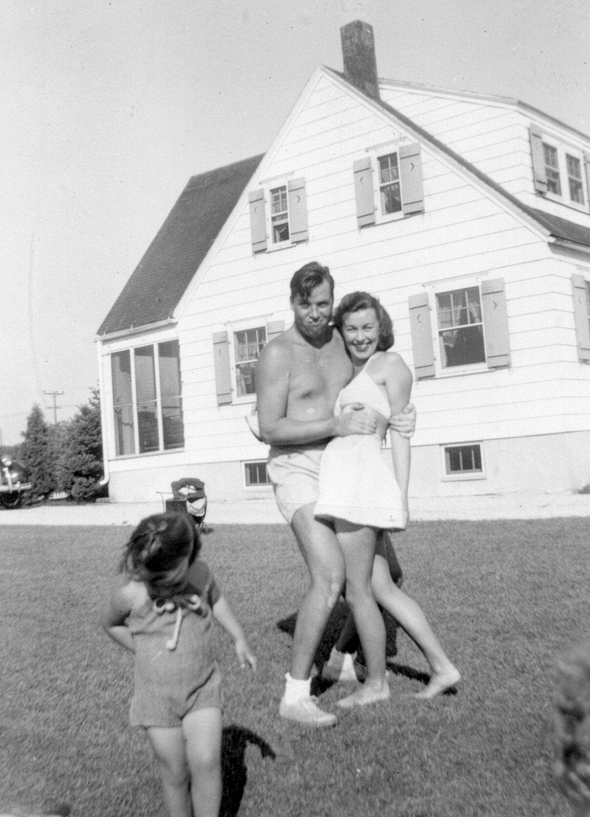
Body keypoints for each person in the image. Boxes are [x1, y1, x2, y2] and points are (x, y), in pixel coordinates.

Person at [256, 261, 415, 727]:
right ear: (292, 303)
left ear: (332, 302)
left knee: (388, 576)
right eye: (305, 304)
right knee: (329, 578)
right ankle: (296, 695)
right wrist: (334, 424)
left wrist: (403, 417)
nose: (315, 313)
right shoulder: (277, 354)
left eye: (323, 304)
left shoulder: (341, 345)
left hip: (340, 465)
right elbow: (270, 428)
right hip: (296, 466)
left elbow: (380, 383)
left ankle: (342, 657)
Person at [314, 291, 460, 708]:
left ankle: (376, 684)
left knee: (358, 590)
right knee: (380, 588)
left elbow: (401, 432)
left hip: (360, 487)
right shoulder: (344, 371)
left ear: (382, 329)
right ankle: (442, 666)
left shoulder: (390, 365)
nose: (360, 337)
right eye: (352, 329)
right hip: (345, 485)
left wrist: (402, 495)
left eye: (368, 328)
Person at [101, 513, 257, 817]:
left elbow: (217, 601)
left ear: (189, 556)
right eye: (152, 582)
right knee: (175, 773)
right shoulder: (130, 594)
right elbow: (110, 624)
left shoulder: (200, 574)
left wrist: (239, 637)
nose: (160, 588)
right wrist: (144, 649)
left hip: (202, 689)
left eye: (168, 581)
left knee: (207, 760)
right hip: (156, 699)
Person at [552, 641, 590, 815]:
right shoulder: (563, 703)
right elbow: (560, 736)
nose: (562, 687)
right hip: (576, 768)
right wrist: (560, 760)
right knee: (579, 806)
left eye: (569, 682)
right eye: (560, 681)